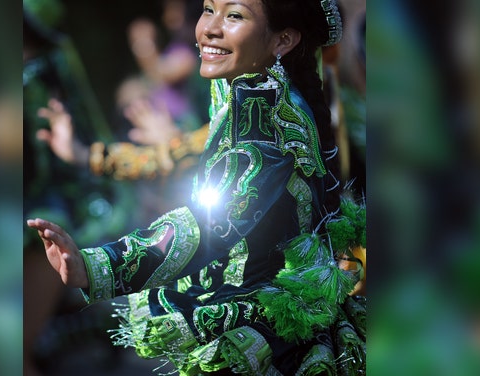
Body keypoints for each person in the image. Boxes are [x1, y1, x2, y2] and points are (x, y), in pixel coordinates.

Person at [28, 0, 366, 374]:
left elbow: (211, 224)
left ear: (282, 40)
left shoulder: (265, 120)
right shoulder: (251, 96)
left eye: (234, 15)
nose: (210, 28)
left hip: (269, 327)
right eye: (208, 9)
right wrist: (89, 154)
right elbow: (186, 151)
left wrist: (97, 267)